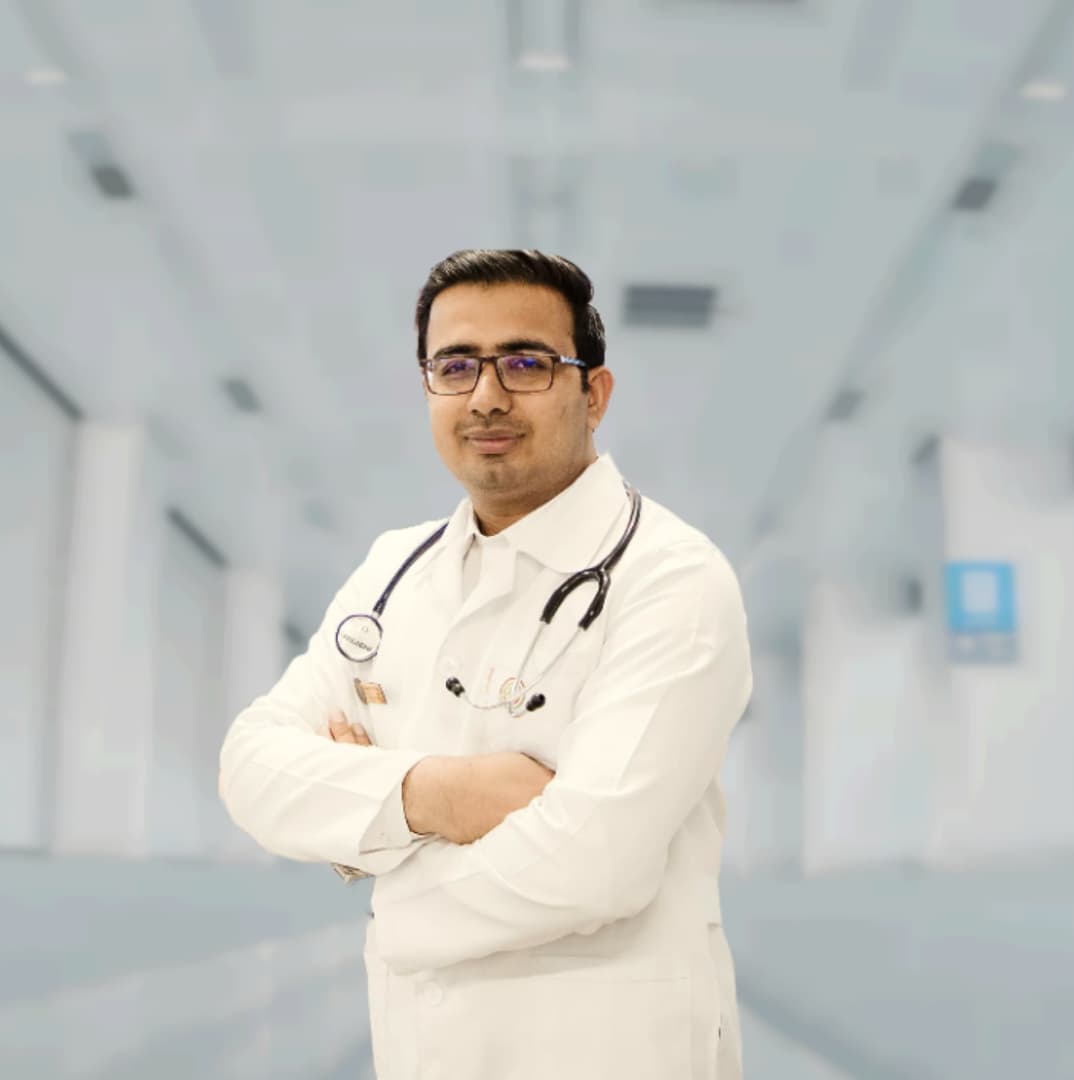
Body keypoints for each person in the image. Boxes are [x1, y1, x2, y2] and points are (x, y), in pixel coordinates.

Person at [218, 249, 753, 1079]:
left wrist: (383, 876)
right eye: (455, 365)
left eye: (527, 363)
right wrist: (436, 796)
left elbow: (593, 863)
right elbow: (251, 766)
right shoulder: (395, 572)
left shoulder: (672, 578)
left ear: (595, 394)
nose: (486, 396)